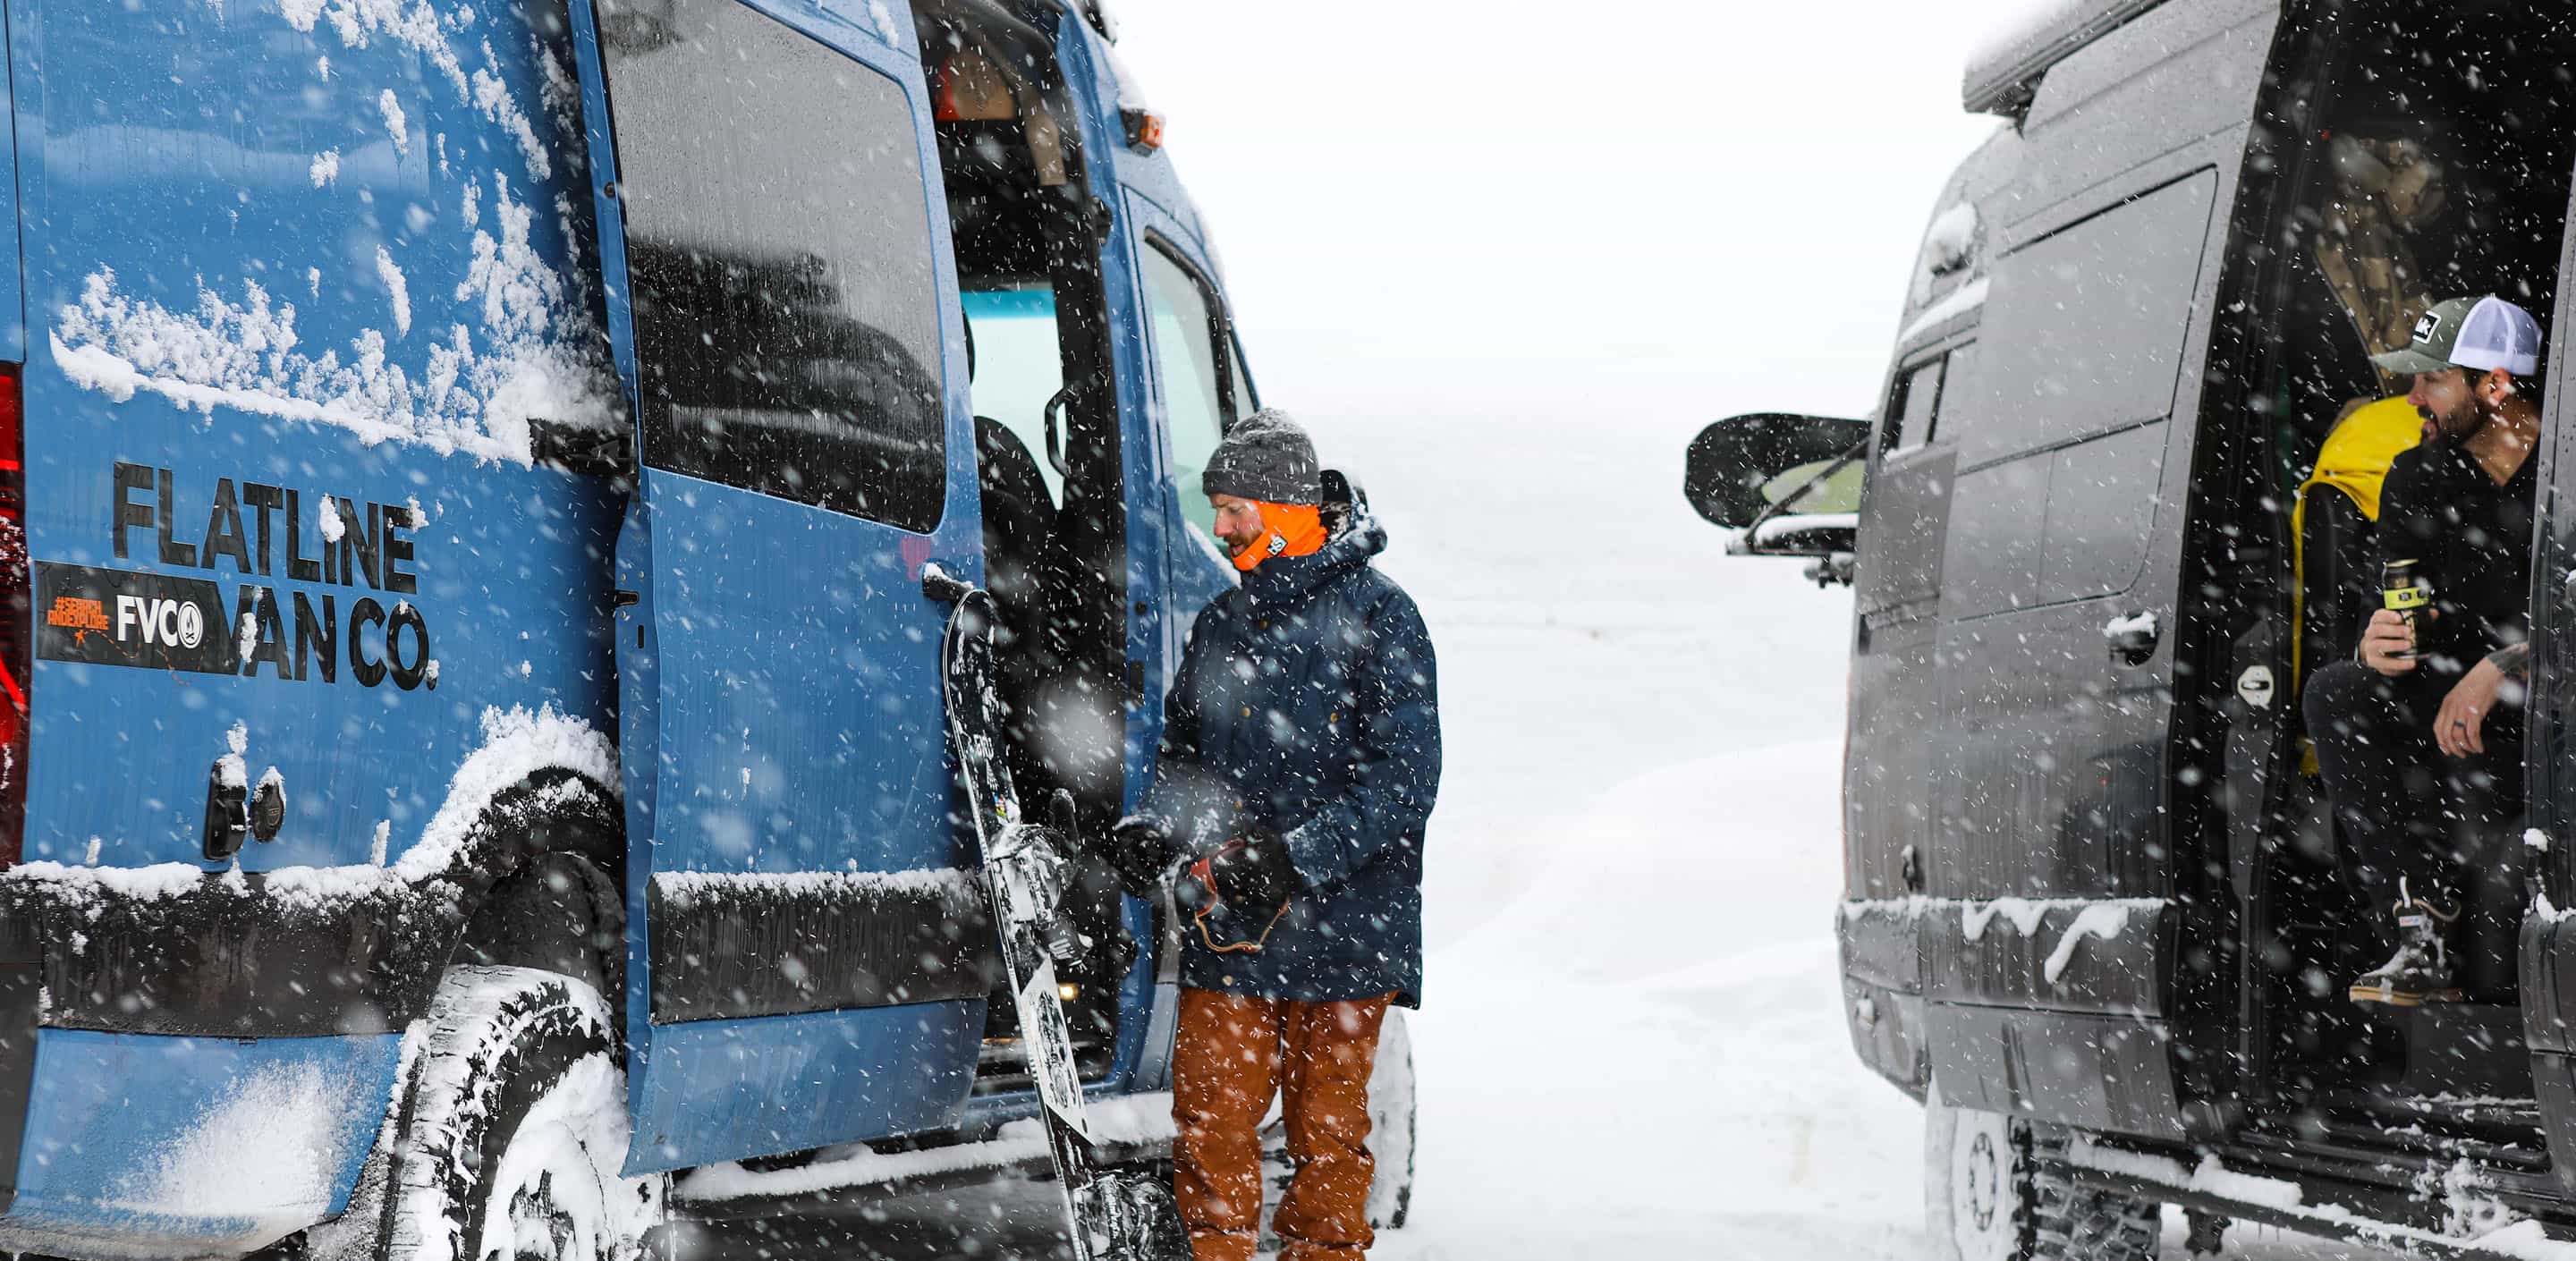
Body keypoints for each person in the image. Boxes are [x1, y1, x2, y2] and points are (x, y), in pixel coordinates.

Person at [1110, 409, 1440, 1261]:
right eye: (1215, 507)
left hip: (1345, 939)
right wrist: (1156, 827)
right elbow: (1186, 755)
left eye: (1233, 508)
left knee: (1327, 1155)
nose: (1218, 528)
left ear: (1288, 507)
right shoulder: (1223, 622)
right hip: (1234, 930)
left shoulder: (1382, 618)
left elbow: (1404, 786)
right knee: (1209, 1135)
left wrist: (1293, 858)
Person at [2302, 294, 2544, 1007]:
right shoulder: (2416, 475)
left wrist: (2509, 665)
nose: (2412, 398)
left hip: (2554, 710)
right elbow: (2404, 605)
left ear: (2494, 386)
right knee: (2338, 690)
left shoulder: (2564, 468)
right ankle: (2422, 928)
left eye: (2432, 379)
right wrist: (2376, 640)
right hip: (2459, 713)